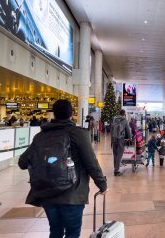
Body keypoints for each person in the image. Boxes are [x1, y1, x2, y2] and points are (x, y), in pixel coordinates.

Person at [18, 99, 107, 238]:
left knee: (55, 230)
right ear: (72, 114)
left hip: (47, 193)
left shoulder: (40, 136)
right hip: (72, 194)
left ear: (54, 114)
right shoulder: (78, 133)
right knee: (72, 232)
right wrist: (102, 184)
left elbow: (22, 162)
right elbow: (91, 162)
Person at [111, 109, 132, 176]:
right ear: (124, 114)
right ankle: (116, 171)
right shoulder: (124, 120)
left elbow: (111, 129)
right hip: (120, 139)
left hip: (114, 138)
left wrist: (111, 140)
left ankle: (115, 168)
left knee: (115, 154)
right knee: (119, 155)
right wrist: (130, 138)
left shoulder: (114, 119)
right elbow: (128, 130)